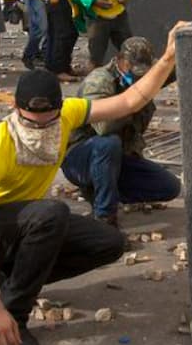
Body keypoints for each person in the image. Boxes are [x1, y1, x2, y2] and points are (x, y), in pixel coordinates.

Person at [0, 22, 184, 345]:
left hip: (27, 223)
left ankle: (14, 280)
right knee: (52, 214)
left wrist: (169, 57)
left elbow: (130, 101)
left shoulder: (70, 115)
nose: (40, 130)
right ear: (15, 110)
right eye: (31, 122)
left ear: (60, 111)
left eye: (49, 121)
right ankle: (13, 318)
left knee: (109, 242)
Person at [63, 37, 181, 226]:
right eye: (135, 72)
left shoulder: (142, 75)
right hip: (83, 155)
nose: (140, 79)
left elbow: (171, 69)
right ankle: (104, 219)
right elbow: (103, 127)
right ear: (121, 61)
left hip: (118, 157)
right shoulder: (99, 81)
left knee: (169, 187)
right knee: (109, 143)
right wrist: (133, 100)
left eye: (144, 74)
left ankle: (103, 189)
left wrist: (177, 49)